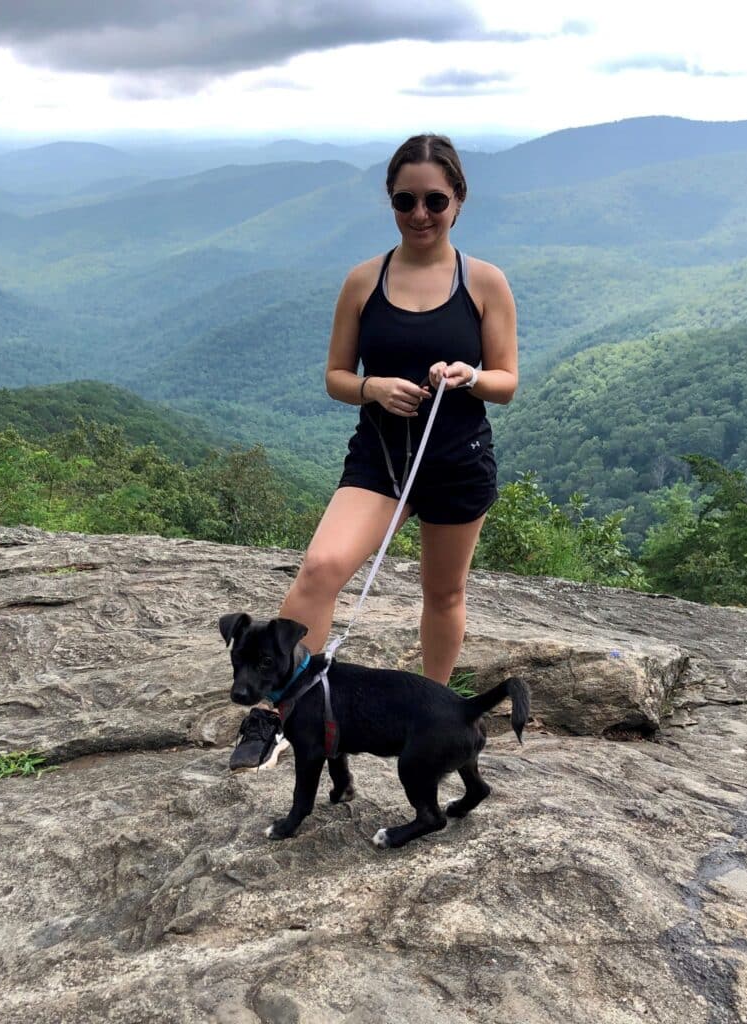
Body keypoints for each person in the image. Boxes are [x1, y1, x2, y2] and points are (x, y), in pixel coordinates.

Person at [230, 133, 518, 772]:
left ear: (459, 201)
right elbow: (336, 375)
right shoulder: (365, 281)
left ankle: (438, 711)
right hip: (380, 461)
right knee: (320, 569)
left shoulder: (486, 283)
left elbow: (507, 381)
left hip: (456, 460)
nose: (420, 214)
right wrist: (372, 387)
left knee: (442, 594)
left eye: (434, 201)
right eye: (405, 200)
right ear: (391, 202)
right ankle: (279, 715)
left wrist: (467, 376)